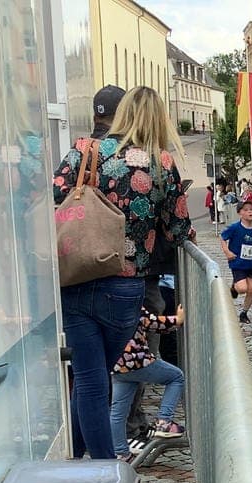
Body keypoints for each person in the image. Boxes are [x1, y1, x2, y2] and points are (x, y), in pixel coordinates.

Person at [53, 85, 191, 461]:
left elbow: (54, 196)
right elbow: (177, 229)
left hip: (75, 276)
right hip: (124, 284)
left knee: (89, 379)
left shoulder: (86, 149)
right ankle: (102, 469)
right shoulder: (161, 163)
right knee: (99, 378)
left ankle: (82, 457)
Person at [110, 305, 186, 461]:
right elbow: (151, 321)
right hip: (136, 361)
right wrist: (178, 320)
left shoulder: (102, 303)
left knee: (118, 411)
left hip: (116, 363)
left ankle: (120, 452)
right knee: (176, 377)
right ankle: (164, 421)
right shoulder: (128, 297)